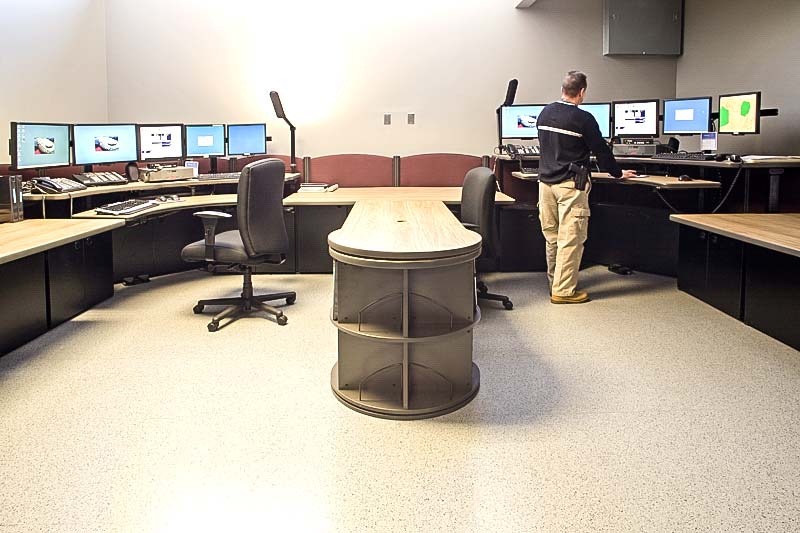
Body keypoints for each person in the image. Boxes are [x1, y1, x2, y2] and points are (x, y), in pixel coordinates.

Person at [536, 70, 636, 304]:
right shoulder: (584, 119)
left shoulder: (544, 112)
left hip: (545, 184)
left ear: (563, 90)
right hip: (570, 185)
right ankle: (564, 291)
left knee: (552, 237)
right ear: (581, 92)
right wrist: (618, 173)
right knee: (570, 238)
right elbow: (602, 152)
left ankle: (555, 283)